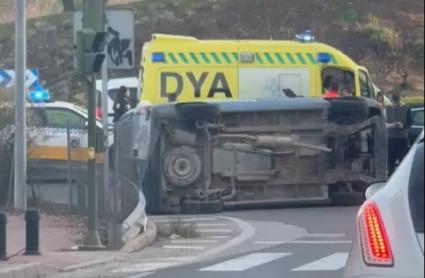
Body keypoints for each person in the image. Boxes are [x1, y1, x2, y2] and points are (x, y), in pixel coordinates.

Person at [385, 92, 412, 176]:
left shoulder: (407, 108)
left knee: (403, 163)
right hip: (390, 139)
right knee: (390, 163)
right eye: (392, 102)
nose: (394, 105)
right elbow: (382, 123)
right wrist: (391, 125)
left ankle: (402, 178)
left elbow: (410, 122)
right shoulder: (386, 109)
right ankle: (390, 180)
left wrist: (403, 125)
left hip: (402, 139)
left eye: (395, 103)